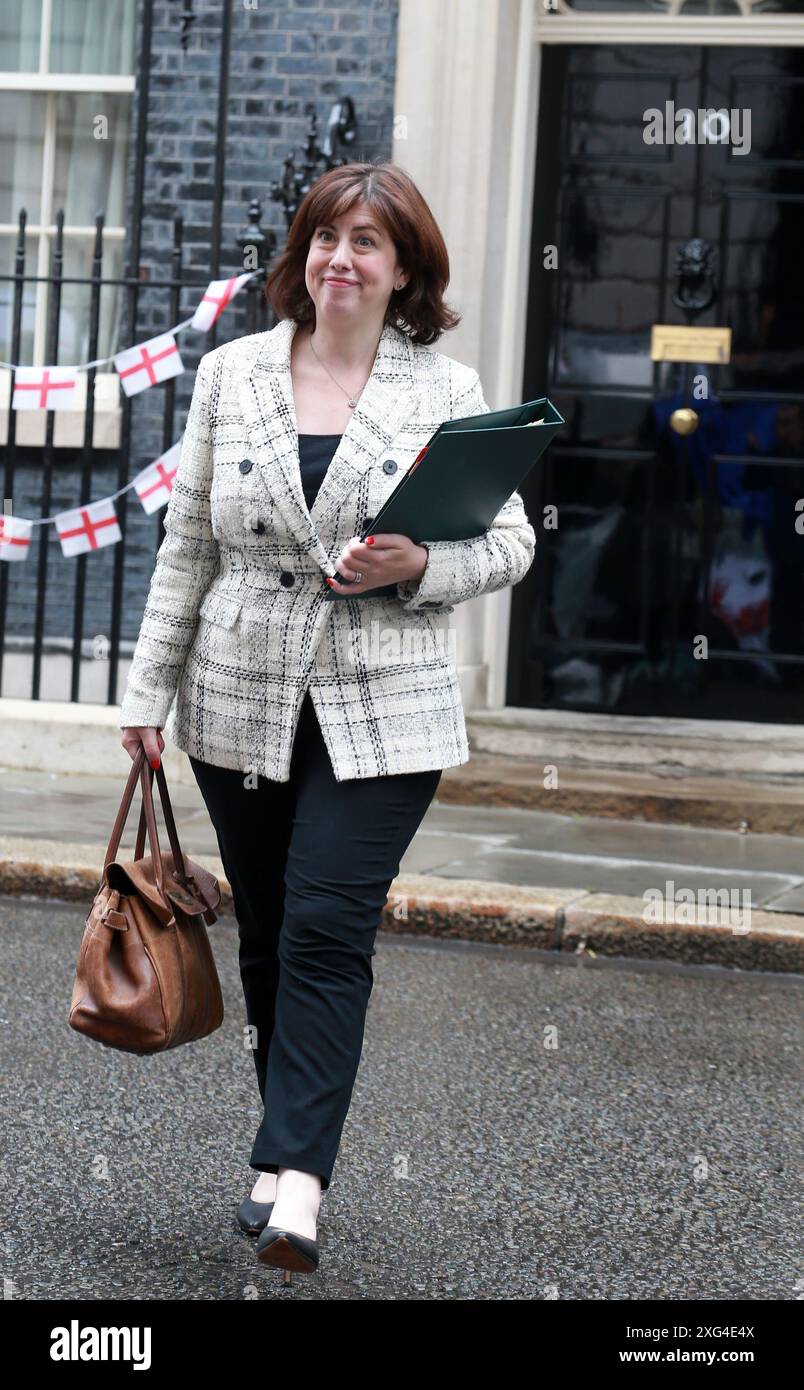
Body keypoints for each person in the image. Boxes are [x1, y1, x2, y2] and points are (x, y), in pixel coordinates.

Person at [119, 159, 536, 1277]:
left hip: (384, 705)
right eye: (325, 239)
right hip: (238, 696)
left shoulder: (445, 390)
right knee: (265, 930)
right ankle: (280, 1143)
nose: (340, 259)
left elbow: (512, 542)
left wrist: (420, 562)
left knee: (326, 926)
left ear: (405, 271)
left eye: (366, 243)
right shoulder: (232, 374)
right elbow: (190, 544)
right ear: (303, 256)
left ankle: (297, 1178)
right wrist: (145, 697)